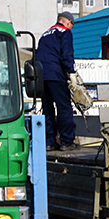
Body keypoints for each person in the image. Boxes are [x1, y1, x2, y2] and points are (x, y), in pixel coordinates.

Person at [37, 12, 77, 150]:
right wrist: (71, 73)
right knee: (64, 107)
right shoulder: (65, 32)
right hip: (56, 74)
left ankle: (49, 142)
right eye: (72, 25)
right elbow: (66, 54)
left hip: (42, 76)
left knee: (47, 109)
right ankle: (67, 141)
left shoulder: (44, 34)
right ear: (68, 22)